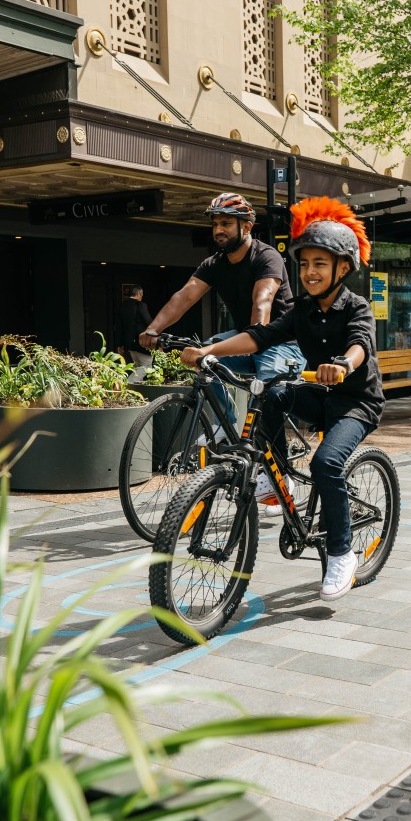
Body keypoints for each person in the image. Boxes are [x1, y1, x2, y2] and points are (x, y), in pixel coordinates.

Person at [181, 197, 382, 602]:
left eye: (320, 264)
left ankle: (342, 554)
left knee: (327, 462)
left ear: (343, 268)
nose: (309, 272)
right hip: (317, 394)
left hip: (355, 402)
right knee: (272, 396)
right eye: (304, 264)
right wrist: (209, 351)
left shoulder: (356, 306)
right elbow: (260, 335)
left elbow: (360, 344)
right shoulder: (302, 310)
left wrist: (342, 363)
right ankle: (280, 477)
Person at [141, 192, 305, 423]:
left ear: (247, 227)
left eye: (226, 223)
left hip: (281, 344)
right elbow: (184, 297)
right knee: (203, 359)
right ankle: (225, 427)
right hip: (245, 339)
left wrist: (252, 338)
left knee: (265, 399)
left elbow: (262, 302)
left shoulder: (267, 257)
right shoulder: (214, 264)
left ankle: (267, 446)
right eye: (215, 224)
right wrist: (153, 329)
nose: (218, 230)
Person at [115, 284, 153, 381]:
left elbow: (119, 327)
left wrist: (119, 344)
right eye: (142, 294)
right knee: (147, 366)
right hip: (141, 343)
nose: (142, 297)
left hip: (129, 344)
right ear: (138, 293)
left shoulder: (123, 306)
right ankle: (128, 384)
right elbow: (149, 323)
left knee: (138, 367)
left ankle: (135, 392)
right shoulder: (141, 305)